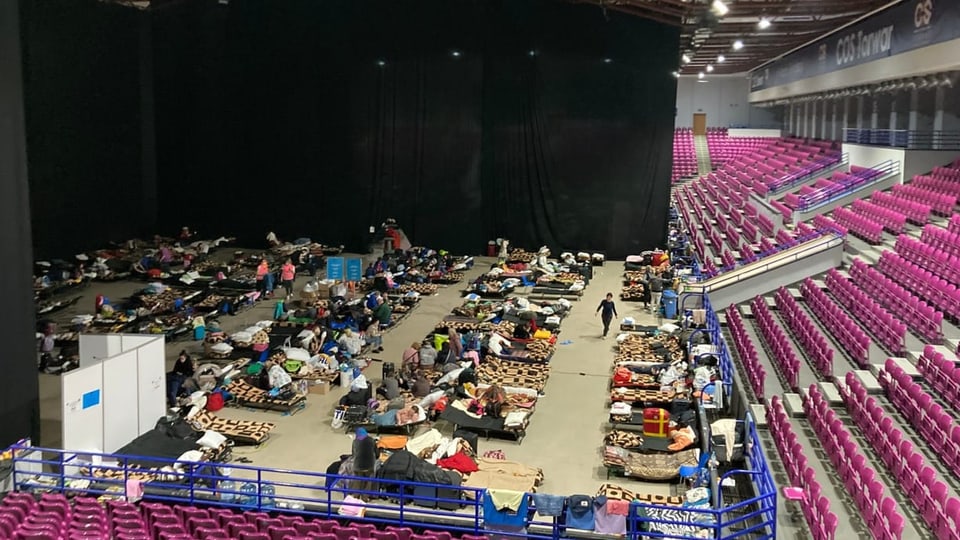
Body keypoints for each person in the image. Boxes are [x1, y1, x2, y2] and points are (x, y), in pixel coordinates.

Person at [351, 428, 378, 499]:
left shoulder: (355, 441)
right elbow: (377, 453)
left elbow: (353, 454)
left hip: (358, 466)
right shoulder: (371, 440)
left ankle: (355, 497)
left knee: (357, 481)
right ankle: (365, 498)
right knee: (368, 481)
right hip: (369, 466)